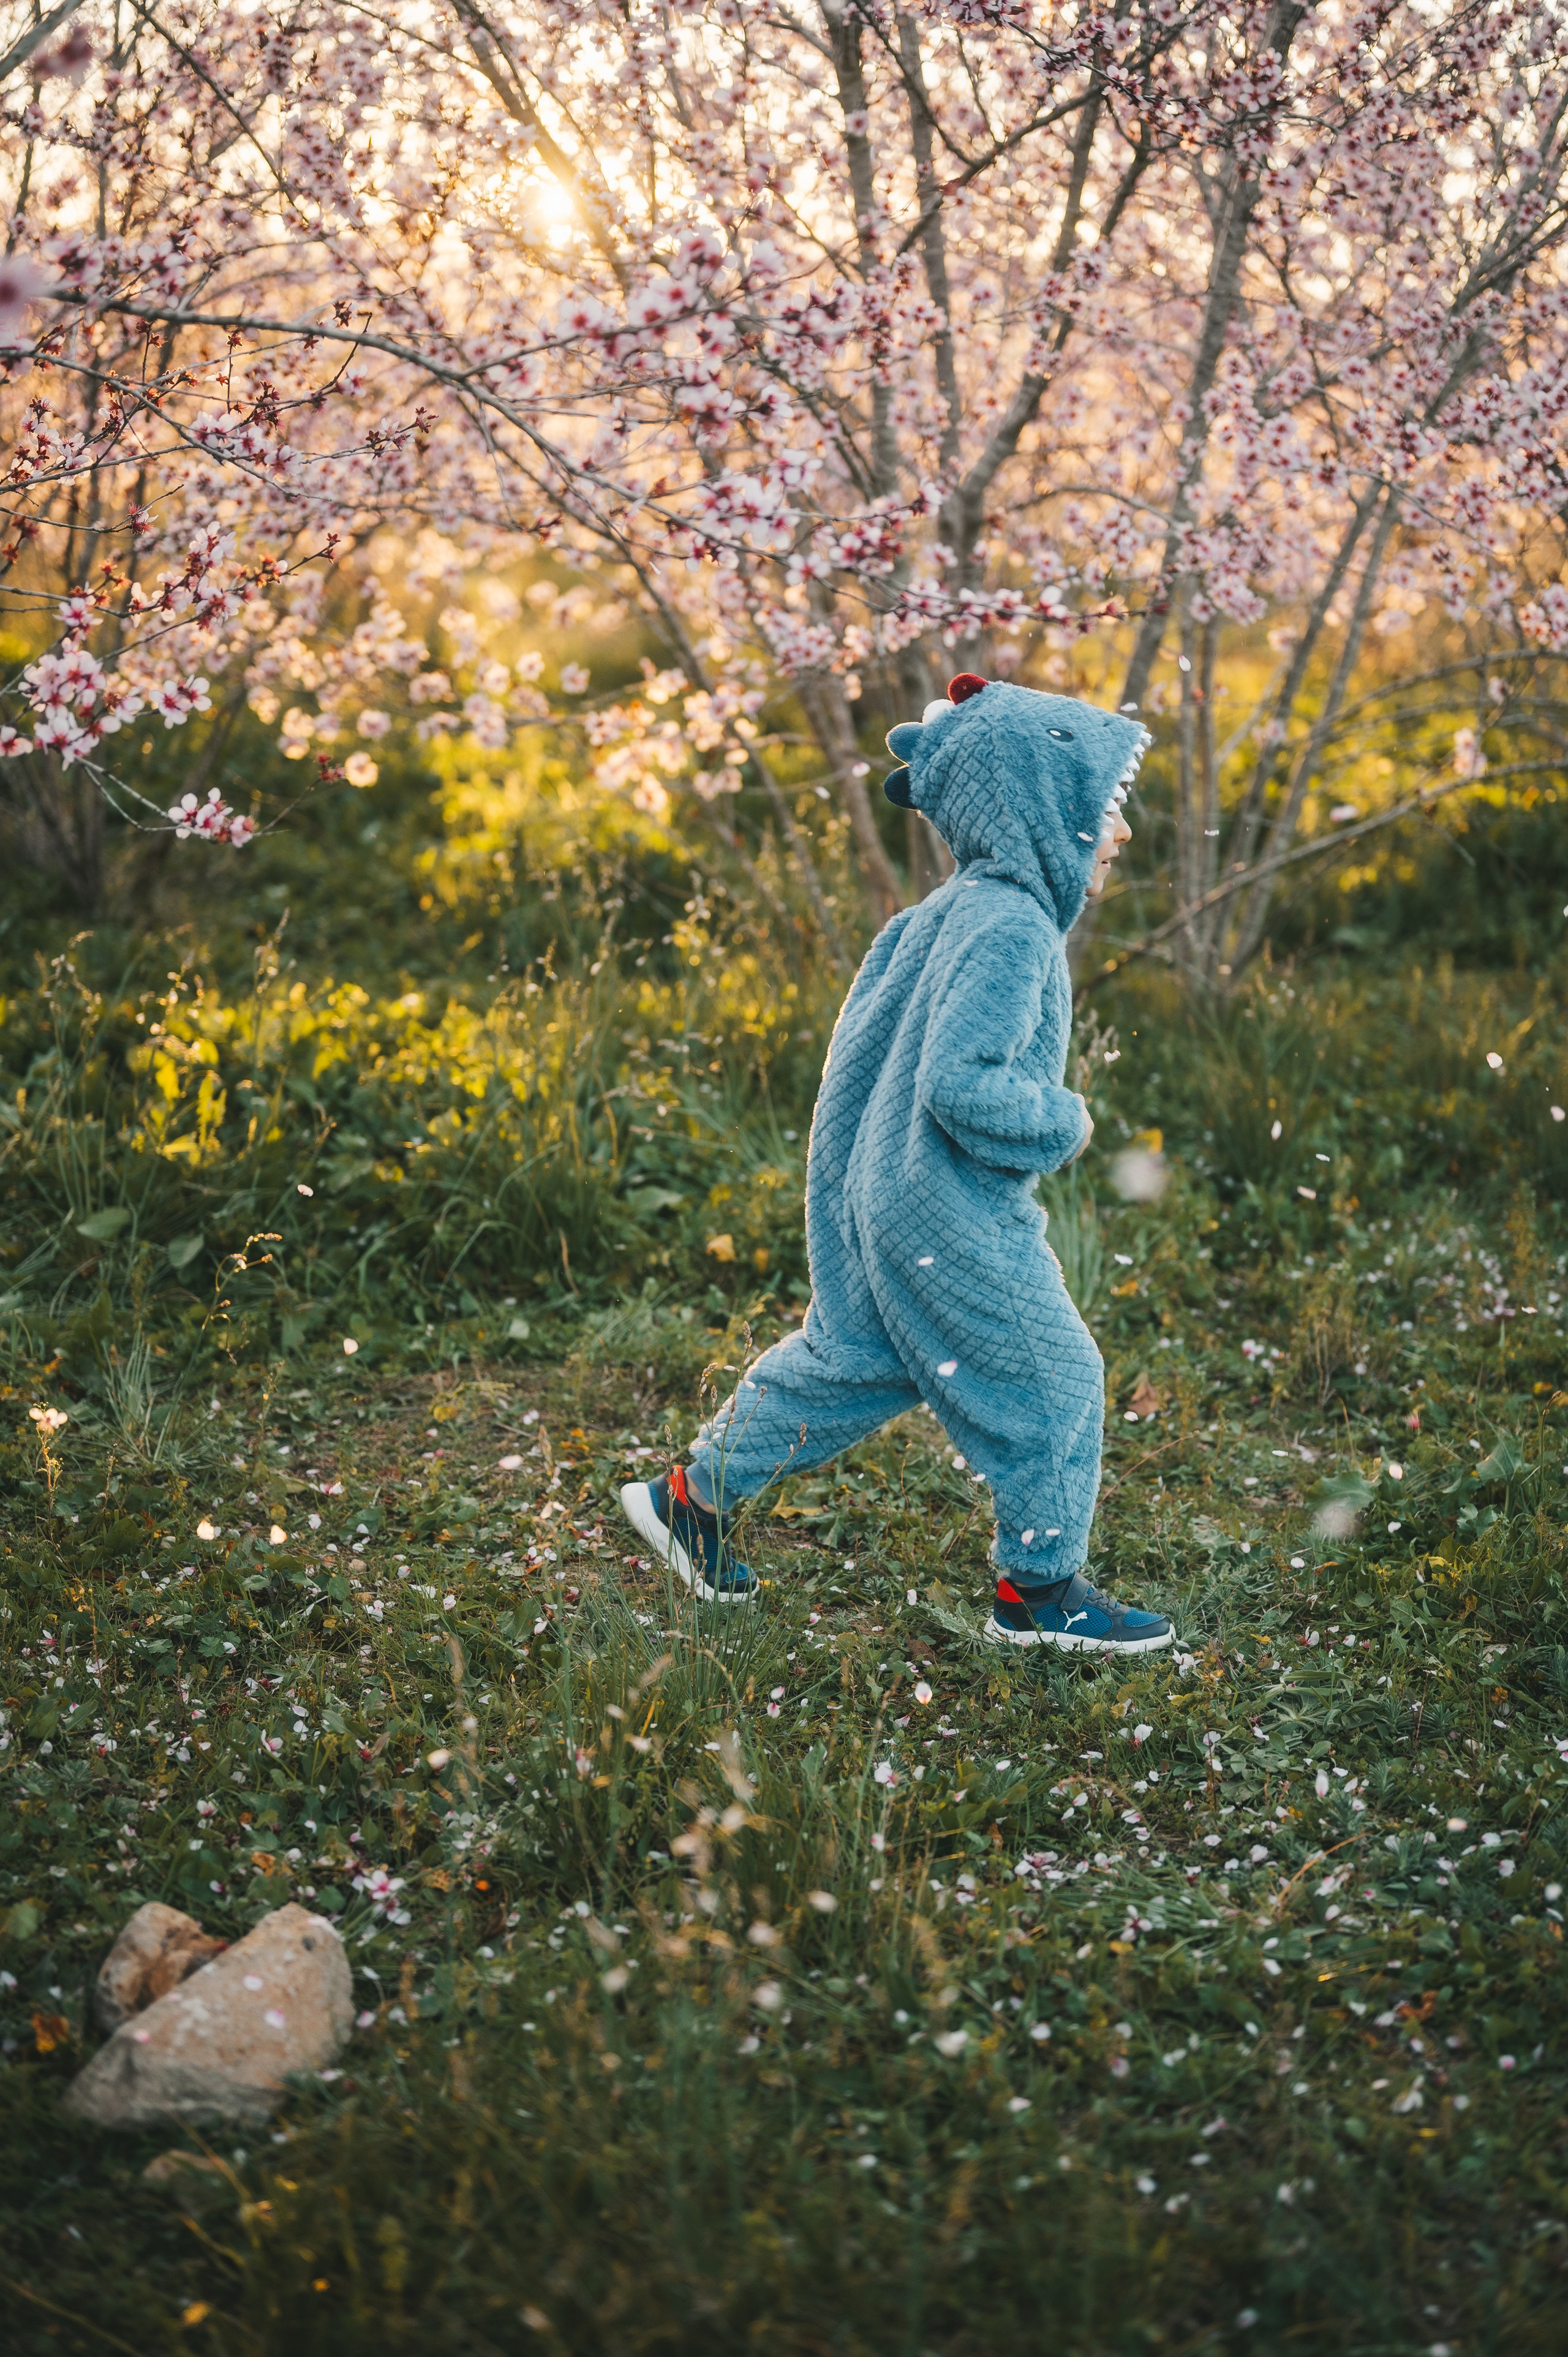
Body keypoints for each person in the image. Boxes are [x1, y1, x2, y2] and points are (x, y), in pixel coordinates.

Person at [620, 672, 1174, 1656]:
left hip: (882, 1189)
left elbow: (863, 1061)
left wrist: (853, 1190)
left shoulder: (937, 915)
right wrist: (1061, 1121)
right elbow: (963, 1087)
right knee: (1058, 1375)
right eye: (1108, 810)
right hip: (949, 1206)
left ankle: (690, 1500)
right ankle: (1039, 1594)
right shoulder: (1015, 928)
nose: (1120, 834)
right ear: (1050, 810)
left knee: (860, 1359)